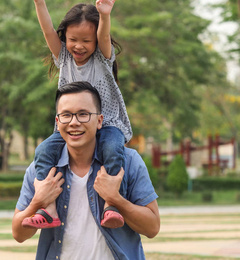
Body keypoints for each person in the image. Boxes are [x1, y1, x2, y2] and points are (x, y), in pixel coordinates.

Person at [23, 0, 132, 229]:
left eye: (86, 41)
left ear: (96, 41)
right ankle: (48, 209)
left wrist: (104, 16)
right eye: (73, 40)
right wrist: (39, 1)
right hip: (70, 125)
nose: (79, 46)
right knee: (43, 152)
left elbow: (104, 36)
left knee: (112, 150)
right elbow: (48, 30)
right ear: (65, 39)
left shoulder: (103, 58)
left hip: (108, 125)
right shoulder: (64, 58)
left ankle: (111, 205)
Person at [12, 81, 160, 260]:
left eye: (83, 114)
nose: (74, 123)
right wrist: (38, 202)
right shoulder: (41, 170)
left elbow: (152, 228)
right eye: (66, 115)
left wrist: (116, 199)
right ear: (58, 122)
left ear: (99, 121)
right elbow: (19, 234)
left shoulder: (128, 162)